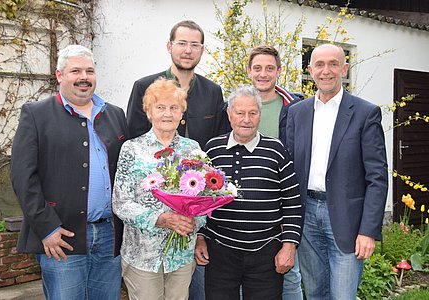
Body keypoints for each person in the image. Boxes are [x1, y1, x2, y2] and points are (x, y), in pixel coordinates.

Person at [10, 44, 127, 299]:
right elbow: (22, 177)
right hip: (62, 236)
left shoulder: (115, 114)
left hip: (109, 236)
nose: (84, 77)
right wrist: (47, 228)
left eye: (89, 71)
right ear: (60, 75)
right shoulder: (36, 114)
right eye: (76, 71)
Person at [286, 43, 388, 299]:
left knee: (343, 295)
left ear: (344, 69)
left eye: (333, 64)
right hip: (307, 215)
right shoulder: (297, 112)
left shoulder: (365, 113)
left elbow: (377, 177)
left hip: (347, 220)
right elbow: (289, 170)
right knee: (315, 293)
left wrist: (368, 230)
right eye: (319, 64)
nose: (326, 71)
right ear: (310, 70)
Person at [195, 85, 303, 299]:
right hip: (220, 252)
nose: (246, 119)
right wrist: (200, 238)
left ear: (259, 115)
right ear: (229, 114)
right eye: (240, 113)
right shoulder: (211, 150)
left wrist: (289, 246)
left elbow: (292, 203)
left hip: (266, 252)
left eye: (252, 113)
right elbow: (199, 201)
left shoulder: (276, 150)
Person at [112, 78, 206, 300]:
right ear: (149, 112)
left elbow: (205, 201)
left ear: (182, 113)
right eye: (160, 107)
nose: (167, 114)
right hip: (143, 255)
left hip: (181, 255)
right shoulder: (132, 149)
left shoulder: (193, 150)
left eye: (174, 108)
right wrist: (161, 219)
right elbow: (120, 203)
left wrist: (195, 222)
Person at [245, 45, 303, 299]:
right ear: (249, 71)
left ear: (279, 71)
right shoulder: (235, 106)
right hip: (246, 209)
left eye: (270, 68)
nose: (263, 74)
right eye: (257, 68)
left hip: (284, 203)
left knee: (289, 273)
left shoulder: (296, 108)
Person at [126, 19, 226, 150]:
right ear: (169, 46)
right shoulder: (144, 87)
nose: (188, 50)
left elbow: (218, 141)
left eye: (195, 45)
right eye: (182, 43)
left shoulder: (213, 91)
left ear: (202, 51)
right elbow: (134, 138)